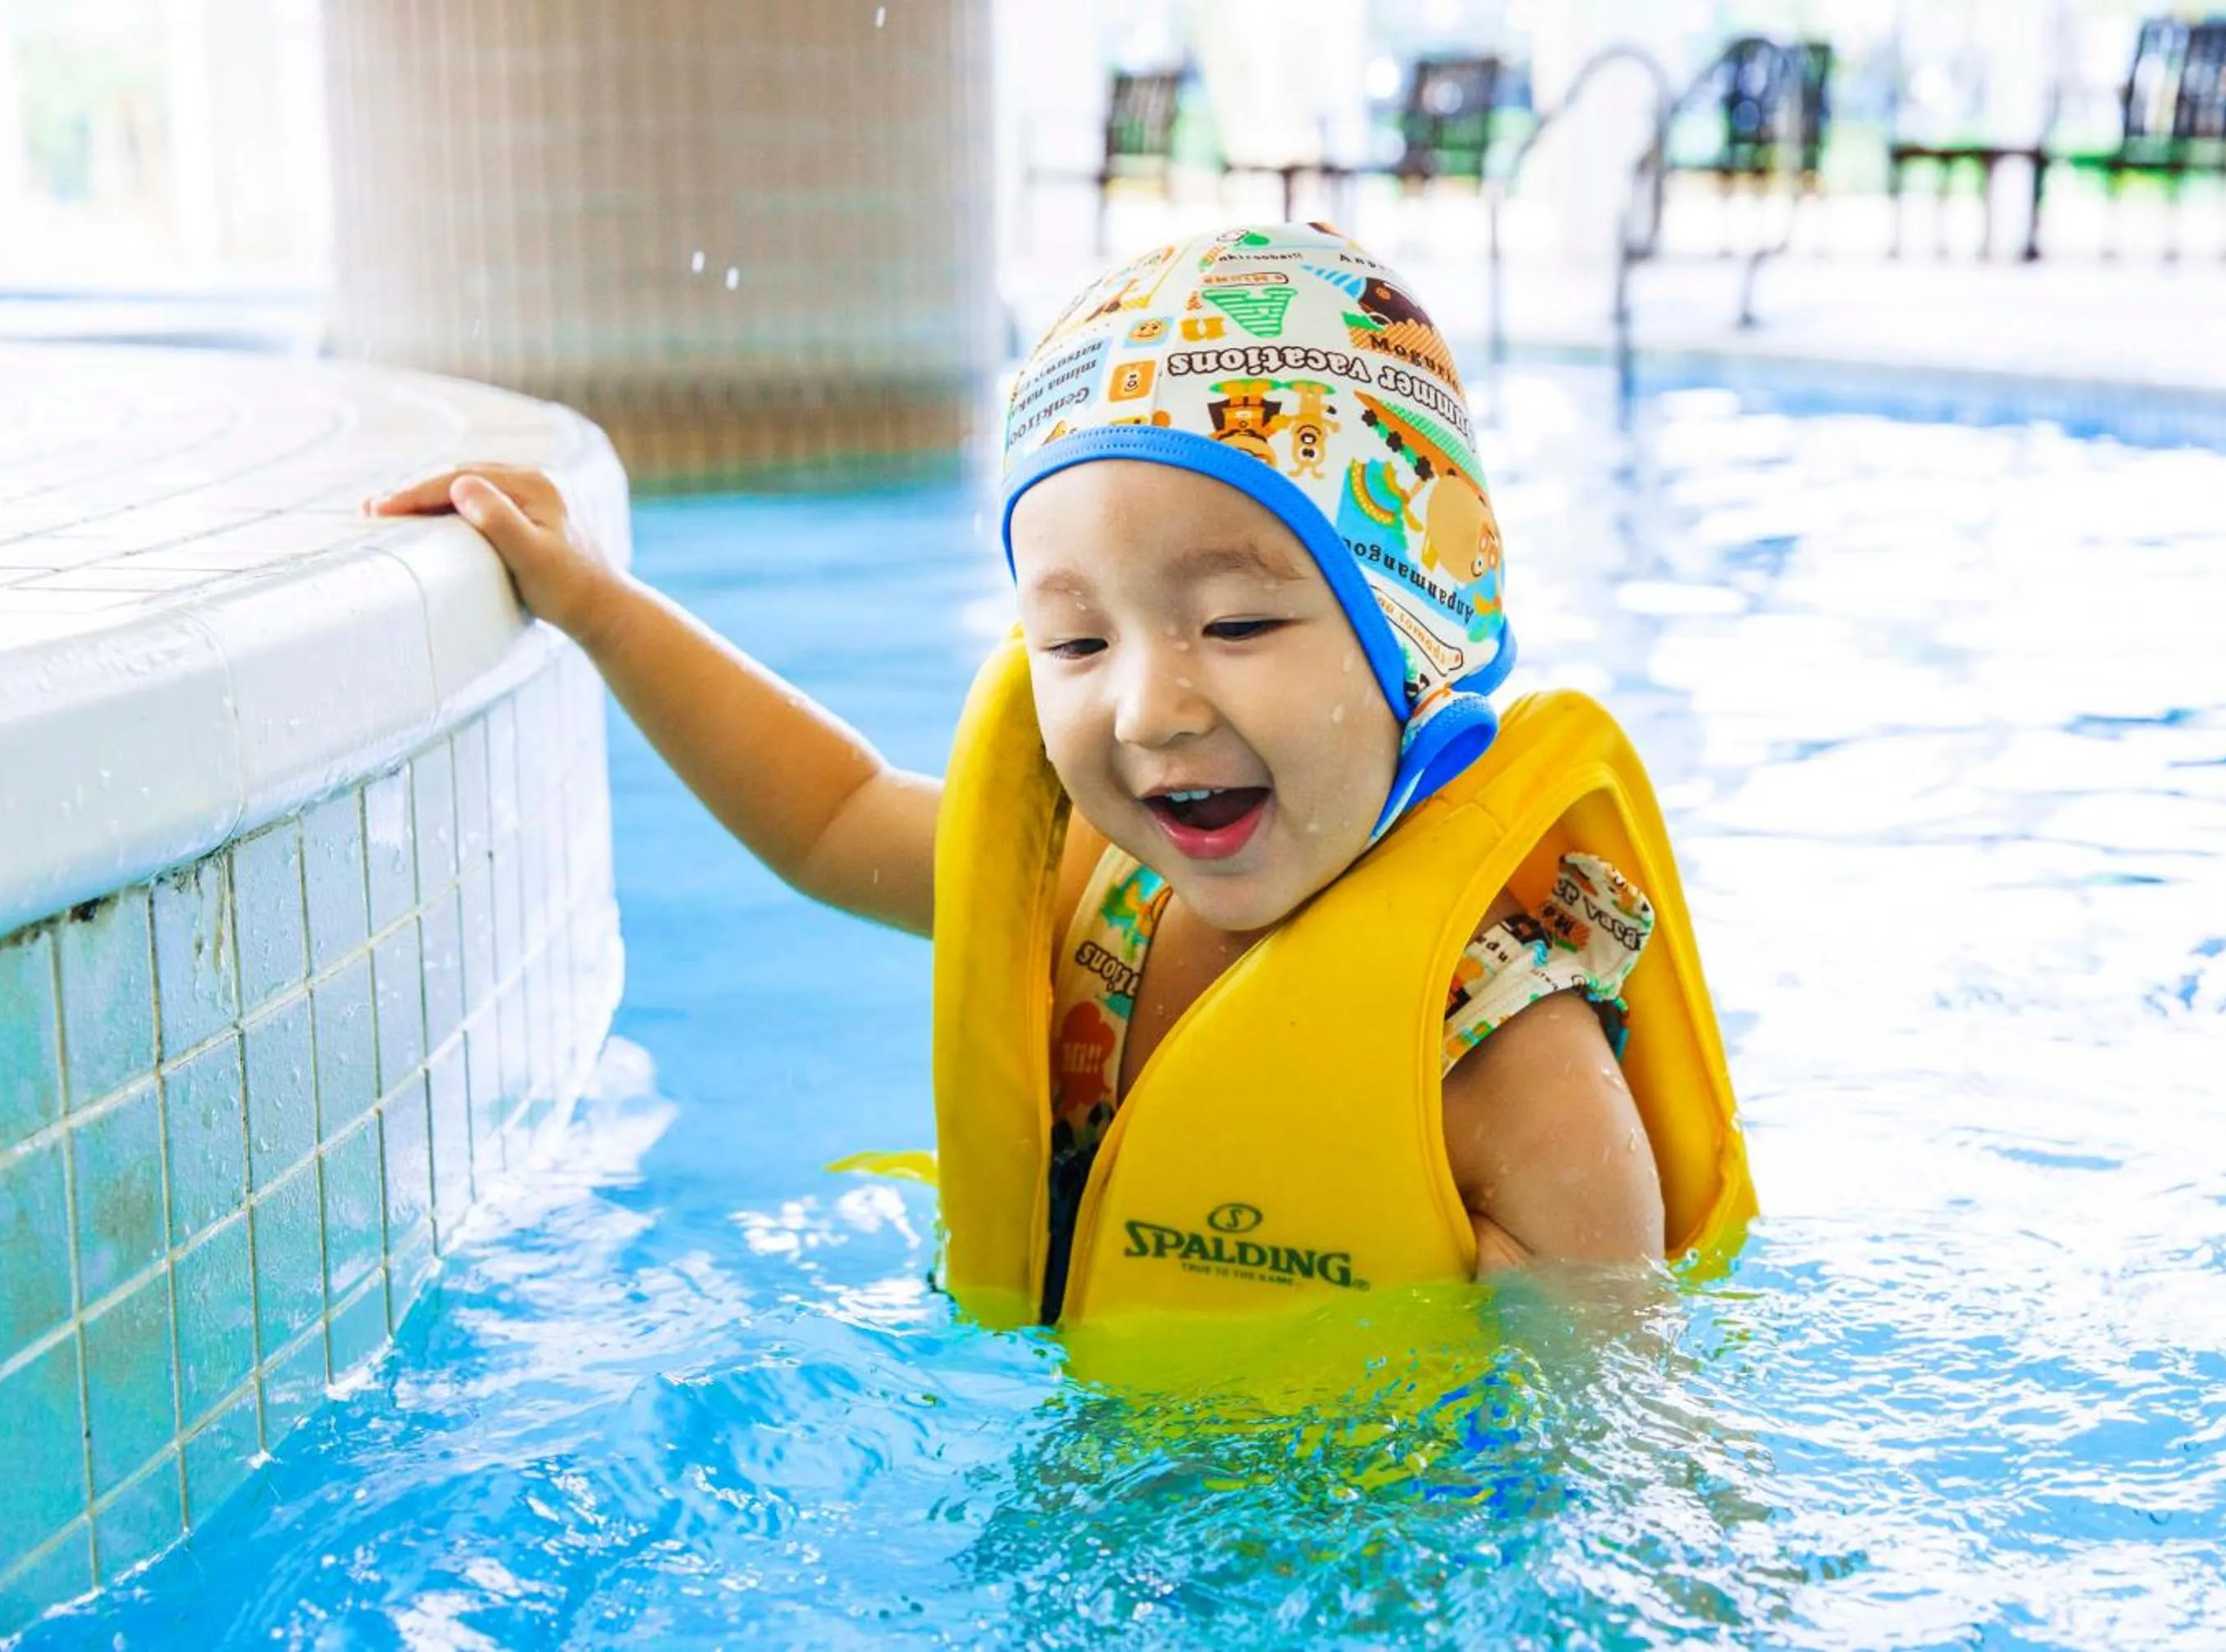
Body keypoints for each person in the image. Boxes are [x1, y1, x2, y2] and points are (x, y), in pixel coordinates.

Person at [371, 223, 1752, 1328]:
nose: (1149, 705)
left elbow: (1617, 1451)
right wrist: (596, 603)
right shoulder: (1093, 890)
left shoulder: (1515, 1060)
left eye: (1239, 623)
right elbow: (826, 817)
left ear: (1412, 633)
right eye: (1077, 638)